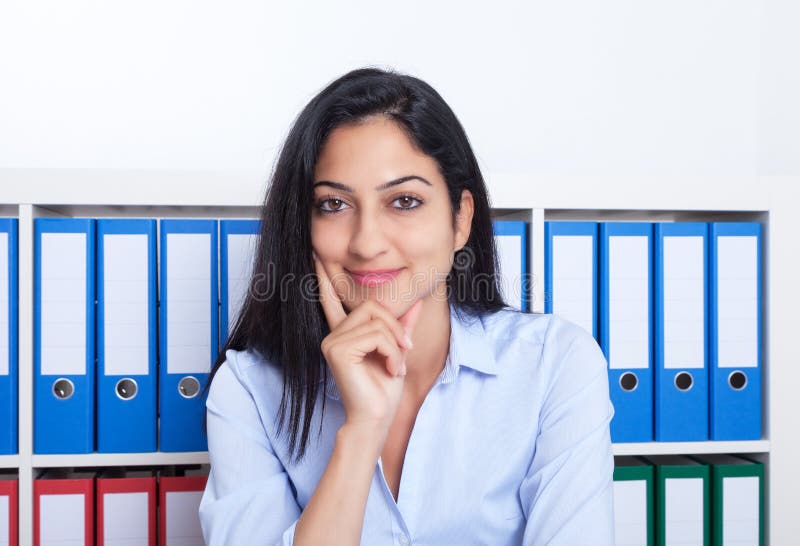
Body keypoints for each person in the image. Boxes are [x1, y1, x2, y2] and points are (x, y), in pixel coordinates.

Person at [198, 67, 615, 545]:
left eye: (404, 201)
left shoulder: (553, 365)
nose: (367, 242)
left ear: (461, 219)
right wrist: (361, 433)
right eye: (334, 205)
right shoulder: (249, 388)